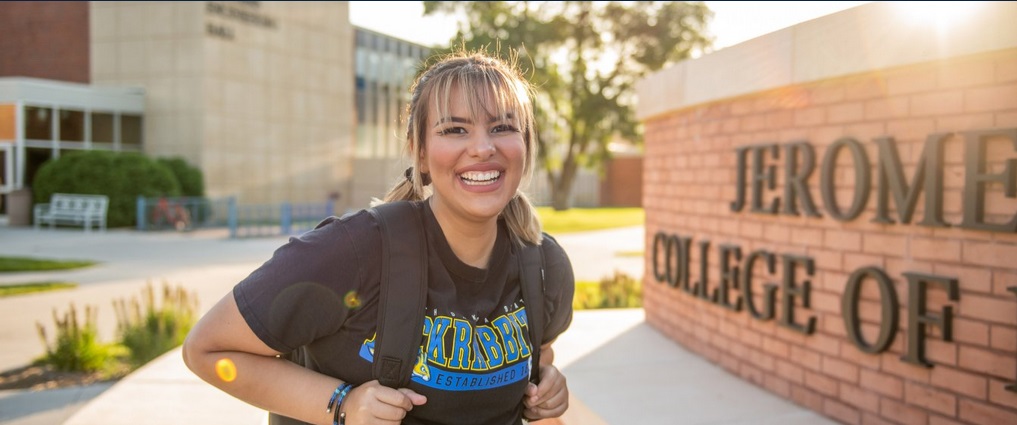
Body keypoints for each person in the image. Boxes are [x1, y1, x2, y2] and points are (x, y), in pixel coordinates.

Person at [182, 51, 575, 425]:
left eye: (502, 127)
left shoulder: (544, 266)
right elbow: (208, 349)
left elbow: (538, 355)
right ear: (419, 153)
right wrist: (342, 404)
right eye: (455, 129)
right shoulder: (352, 252)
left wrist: (546, 382)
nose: (483, 147)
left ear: (525, 145)